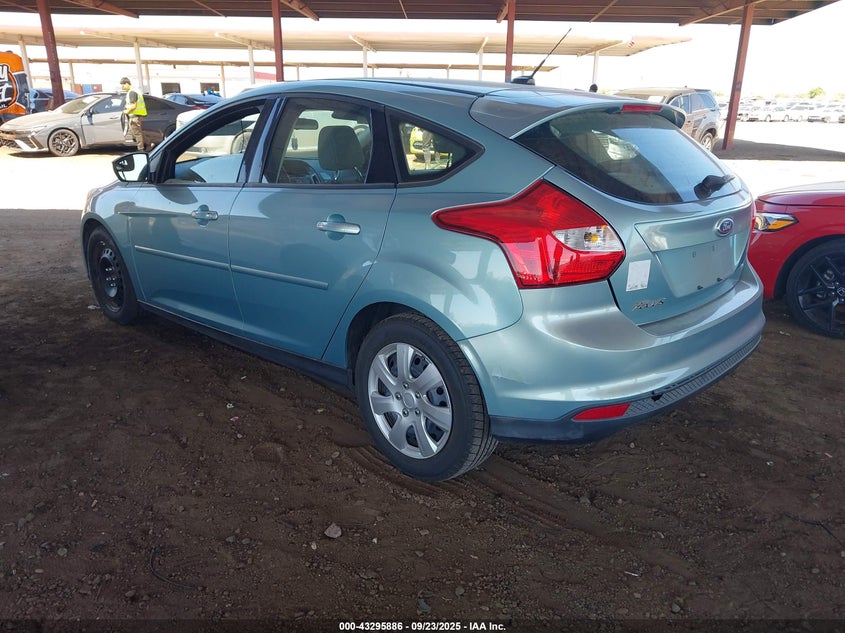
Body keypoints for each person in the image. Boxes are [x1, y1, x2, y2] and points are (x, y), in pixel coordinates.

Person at [120, 77, 147, 151]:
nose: (122, 87)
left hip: (134, 116)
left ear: (127, 83)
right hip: (135, 116)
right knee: (136, 133)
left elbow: (133, 106)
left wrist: (127, 111)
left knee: (137, 134)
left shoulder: (132, 92)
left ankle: (141, 150)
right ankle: (148, 144)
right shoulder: (135, 91)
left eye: (123, 85)